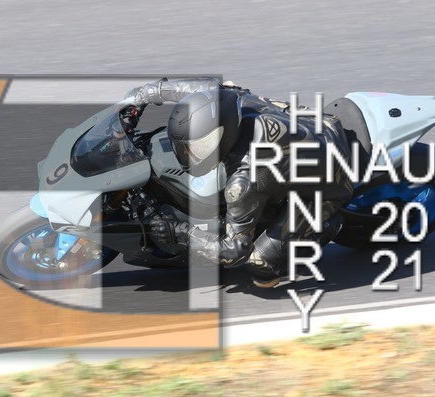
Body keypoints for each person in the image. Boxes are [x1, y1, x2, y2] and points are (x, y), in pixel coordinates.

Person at [125, 77, 353, 287]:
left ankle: (325, 227)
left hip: (331, 183)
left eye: (194, 149)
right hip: (321, 124)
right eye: (183, 149)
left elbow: (234, 252)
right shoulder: (224, 99)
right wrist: (140, 98)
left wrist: (182, 233)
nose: (186, 156)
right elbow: (182, 90)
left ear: (220, 136)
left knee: (260, 266)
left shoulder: (243, 182)